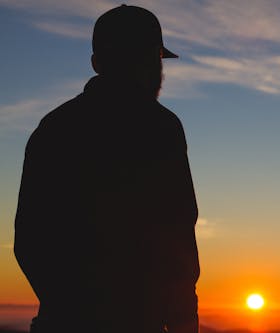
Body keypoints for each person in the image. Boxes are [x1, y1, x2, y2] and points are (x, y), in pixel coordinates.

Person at [14, 5, 200, 333]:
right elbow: (178, 238)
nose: (158, 72)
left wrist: (66, 307)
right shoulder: (160, 128)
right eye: (153, 59)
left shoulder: (55, 127)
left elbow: (29, 241)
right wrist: (183, 321)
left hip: (62, 321)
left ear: (96, 63)